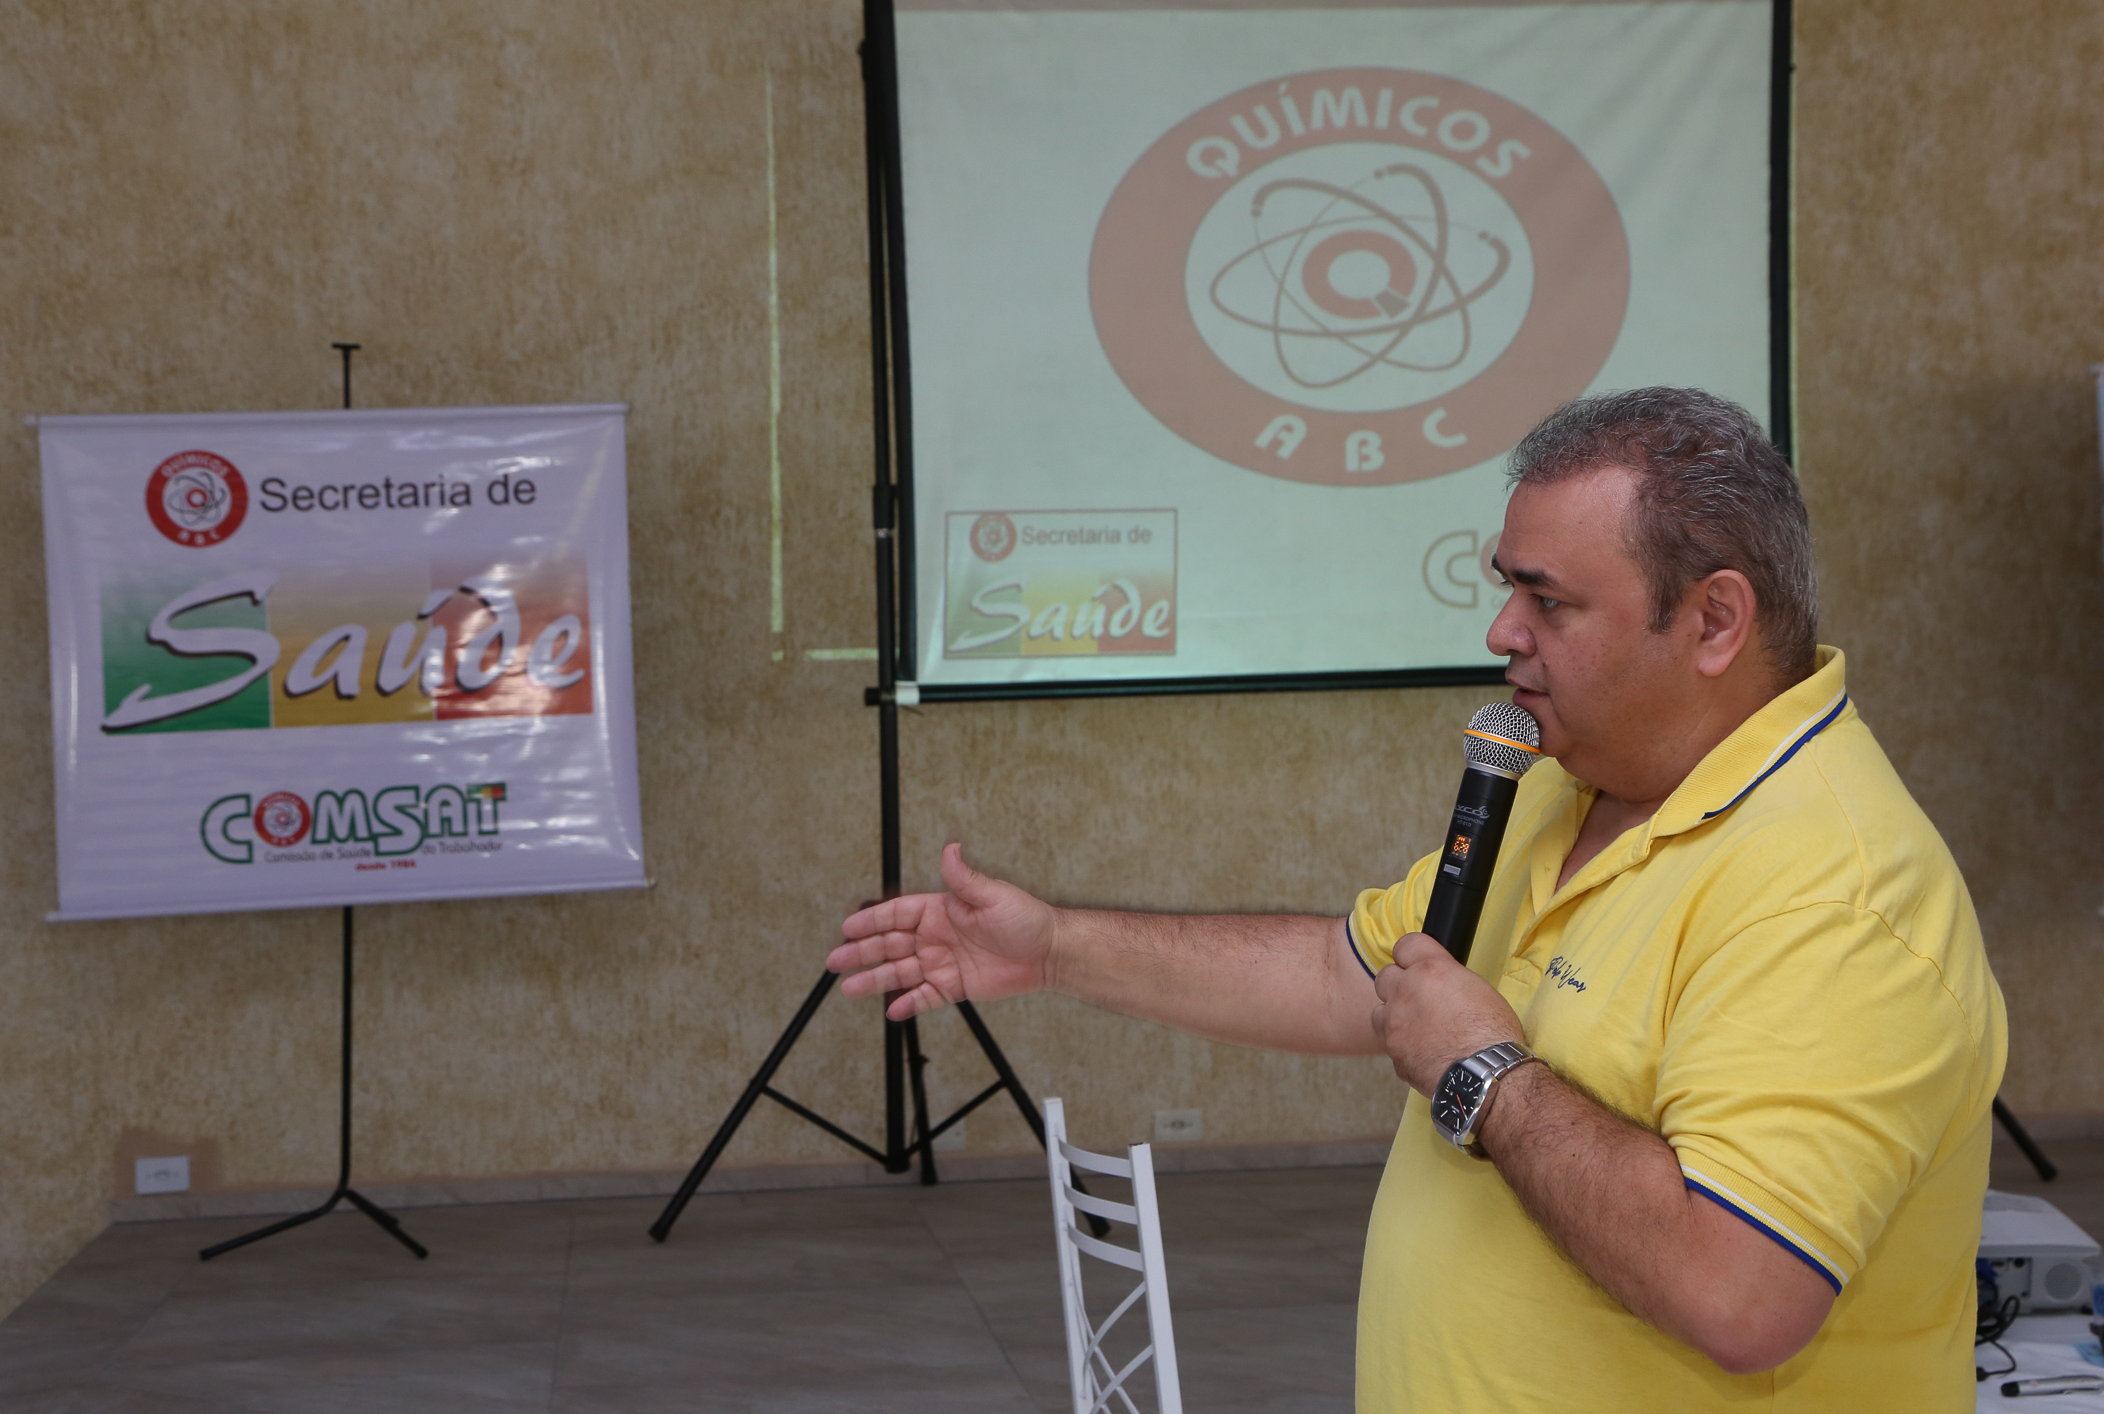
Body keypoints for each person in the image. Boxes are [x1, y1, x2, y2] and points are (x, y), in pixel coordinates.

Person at [829, 388, 2005, 1412]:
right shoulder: (1571, 783)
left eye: (1550, 602)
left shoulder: (1839, 896)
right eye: (1508, 590)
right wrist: (1057, 945)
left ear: (1713, 620)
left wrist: (1487, 1078)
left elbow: (1739, 1291)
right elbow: (1363, 980)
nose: (1502, 632)